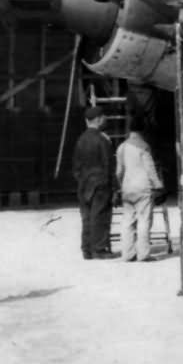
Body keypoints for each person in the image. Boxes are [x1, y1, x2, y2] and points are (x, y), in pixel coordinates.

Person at [115, 116, 165, 262]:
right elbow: (150, 169)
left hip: (127, 187)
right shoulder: (143, 146)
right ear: (144, 129)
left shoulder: (122, 147)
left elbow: (119, 171)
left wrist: (120, 186)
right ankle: (143, 254)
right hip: (143, 187)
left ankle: (128, 253)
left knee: (127, 221)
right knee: (144, 220)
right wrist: (158, 185)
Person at [72, 106, 117, 259]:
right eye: (103, 117)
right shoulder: (102, 140)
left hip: (84, 183)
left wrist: (82, 179)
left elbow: (76, 166)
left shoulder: (80, 140)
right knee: (100, 216)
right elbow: (109, 164)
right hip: (100, 183)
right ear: (98, 119)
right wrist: (114, 186)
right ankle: (99, 249)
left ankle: (87, 249)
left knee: (86, 217)